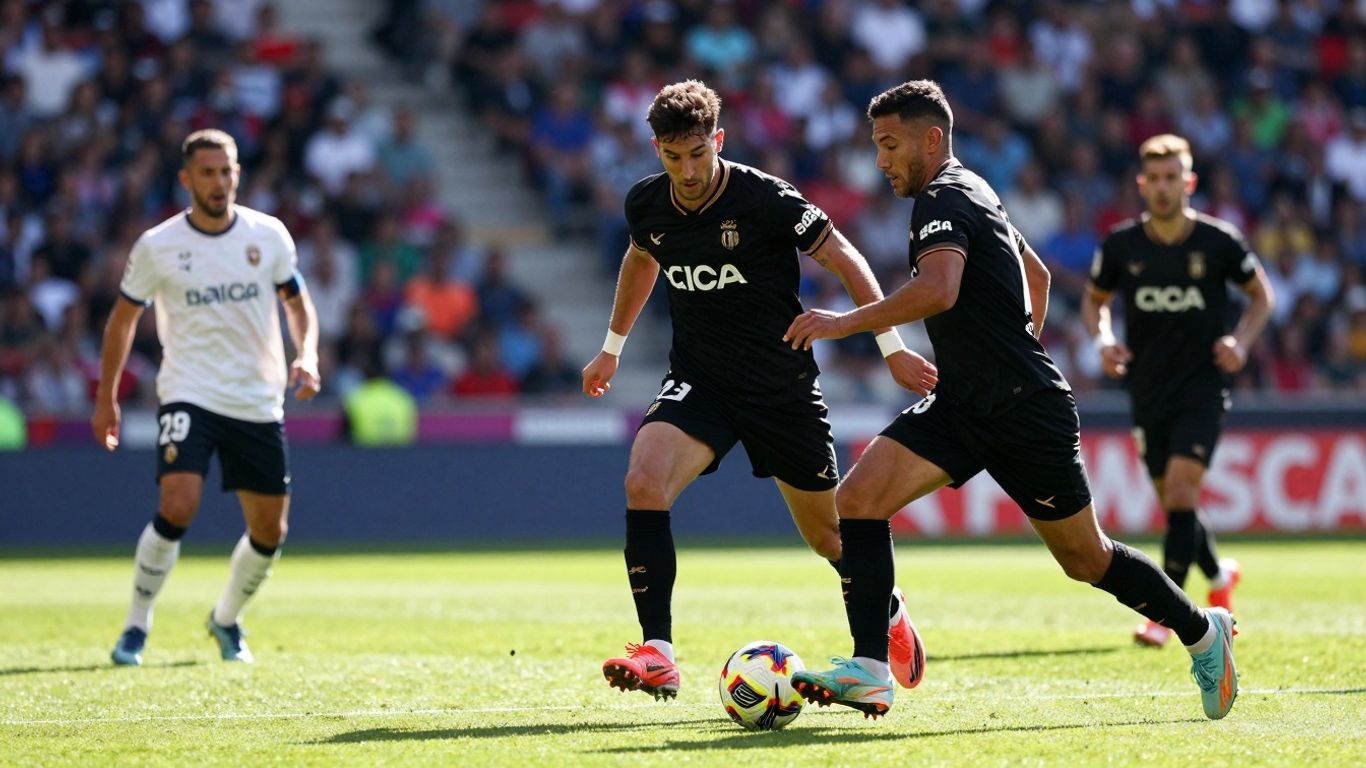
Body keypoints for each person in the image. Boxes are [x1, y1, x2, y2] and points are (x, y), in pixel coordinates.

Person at [784, 81, 1238, 721]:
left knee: (1086, 558)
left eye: (888, 145)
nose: (880, 161)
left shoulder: (943, 197)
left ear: (930, 139)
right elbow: (1038, 275)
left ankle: (1200, 630)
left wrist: (845, 323)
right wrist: (1011, 348)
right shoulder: (976, 189)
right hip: (964, 402)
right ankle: (871, 669)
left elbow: (939, 289)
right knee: (858, 500)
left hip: (1024, 410)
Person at [580, 80, 936, 702]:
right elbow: (641, 259)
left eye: (698, 154)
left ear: (718, 140)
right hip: (700, 382)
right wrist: (611, 347)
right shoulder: (646, 204)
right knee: (643, 481)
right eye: (673, 157)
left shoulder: (765, 197)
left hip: (780, 387)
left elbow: (845, 257)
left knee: (831, 539)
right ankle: (658, 652)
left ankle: (888, 609)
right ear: (657, 150)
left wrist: (891, 346)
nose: (688, 171)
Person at [93, 129, 321, 666]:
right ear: (186, 179)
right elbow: (122, 321)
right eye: (208, 173)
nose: (219, 182)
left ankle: (225, 618)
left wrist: (307, 354)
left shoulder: (268, 236)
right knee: (178, 502)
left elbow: (297, 304)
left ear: (238, 174)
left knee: (270, 530)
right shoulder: (158, 246)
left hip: (256, 397)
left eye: (227, 171)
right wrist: (107, 398)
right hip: (188, 390)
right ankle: (136, 625)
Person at [1082, 134, 1273, 647]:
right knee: (1175, 502)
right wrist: (1103, 341)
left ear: (1189, 182)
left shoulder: (1219, 242)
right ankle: (1219, 575)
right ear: (1142, 185)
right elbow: (1095, 300)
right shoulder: (1121, 245)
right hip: (1147, 389)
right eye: (1155, 179)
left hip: (1203, 387)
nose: (1163, 187)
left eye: (1173, 178)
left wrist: (1241, 341)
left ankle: (1166, 616)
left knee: (1183, 491)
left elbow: (1261, 296)